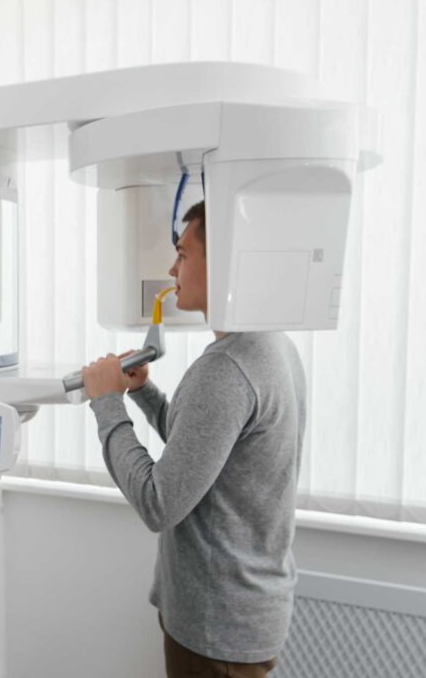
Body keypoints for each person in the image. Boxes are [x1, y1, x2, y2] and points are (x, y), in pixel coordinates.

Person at [81, 201, 307, 678]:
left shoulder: (225, 370)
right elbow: (203, 458)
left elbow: (158, 501)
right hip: (243, 616)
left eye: (182, 253)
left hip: (216, 630)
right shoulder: (271, 345)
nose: (171, 268)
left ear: (222, 260)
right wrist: (143, 392)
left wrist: (106, 405)